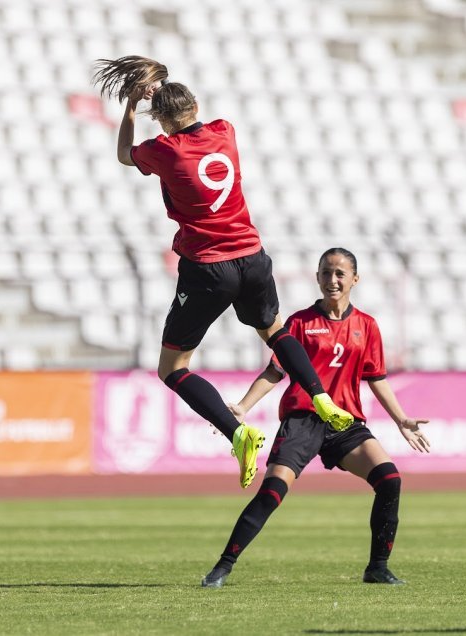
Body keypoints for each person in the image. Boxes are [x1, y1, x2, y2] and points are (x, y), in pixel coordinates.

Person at [92, 56, 355, 489]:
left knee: (172, 368)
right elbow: (186, 115)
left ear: (161, 122)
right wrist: (164, 93)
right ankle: (322, 397)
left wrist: (132, 105)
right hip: (252, 255)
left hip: (208, 268)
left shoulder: (165, 151)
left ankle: (239, 434)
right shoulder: (224, 131)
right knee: (275, 331)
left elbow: (124, 155)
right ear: (196, 105)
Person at [201, 247, 431, 588]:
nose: (332, 280)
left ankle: (377, 568)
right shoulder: (299, 323)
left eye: (340, 274)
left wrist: (400, 420)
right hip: (302, 420)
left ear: (355, 278)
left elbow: (376, 377)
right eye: (326, 273)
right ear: (317, 277)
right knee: (272, 492)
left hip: (346, 423)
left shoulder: (366, 325)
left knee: (389, 479)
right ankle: (223, 566)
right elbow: (275, 371)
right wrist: (243, 407)